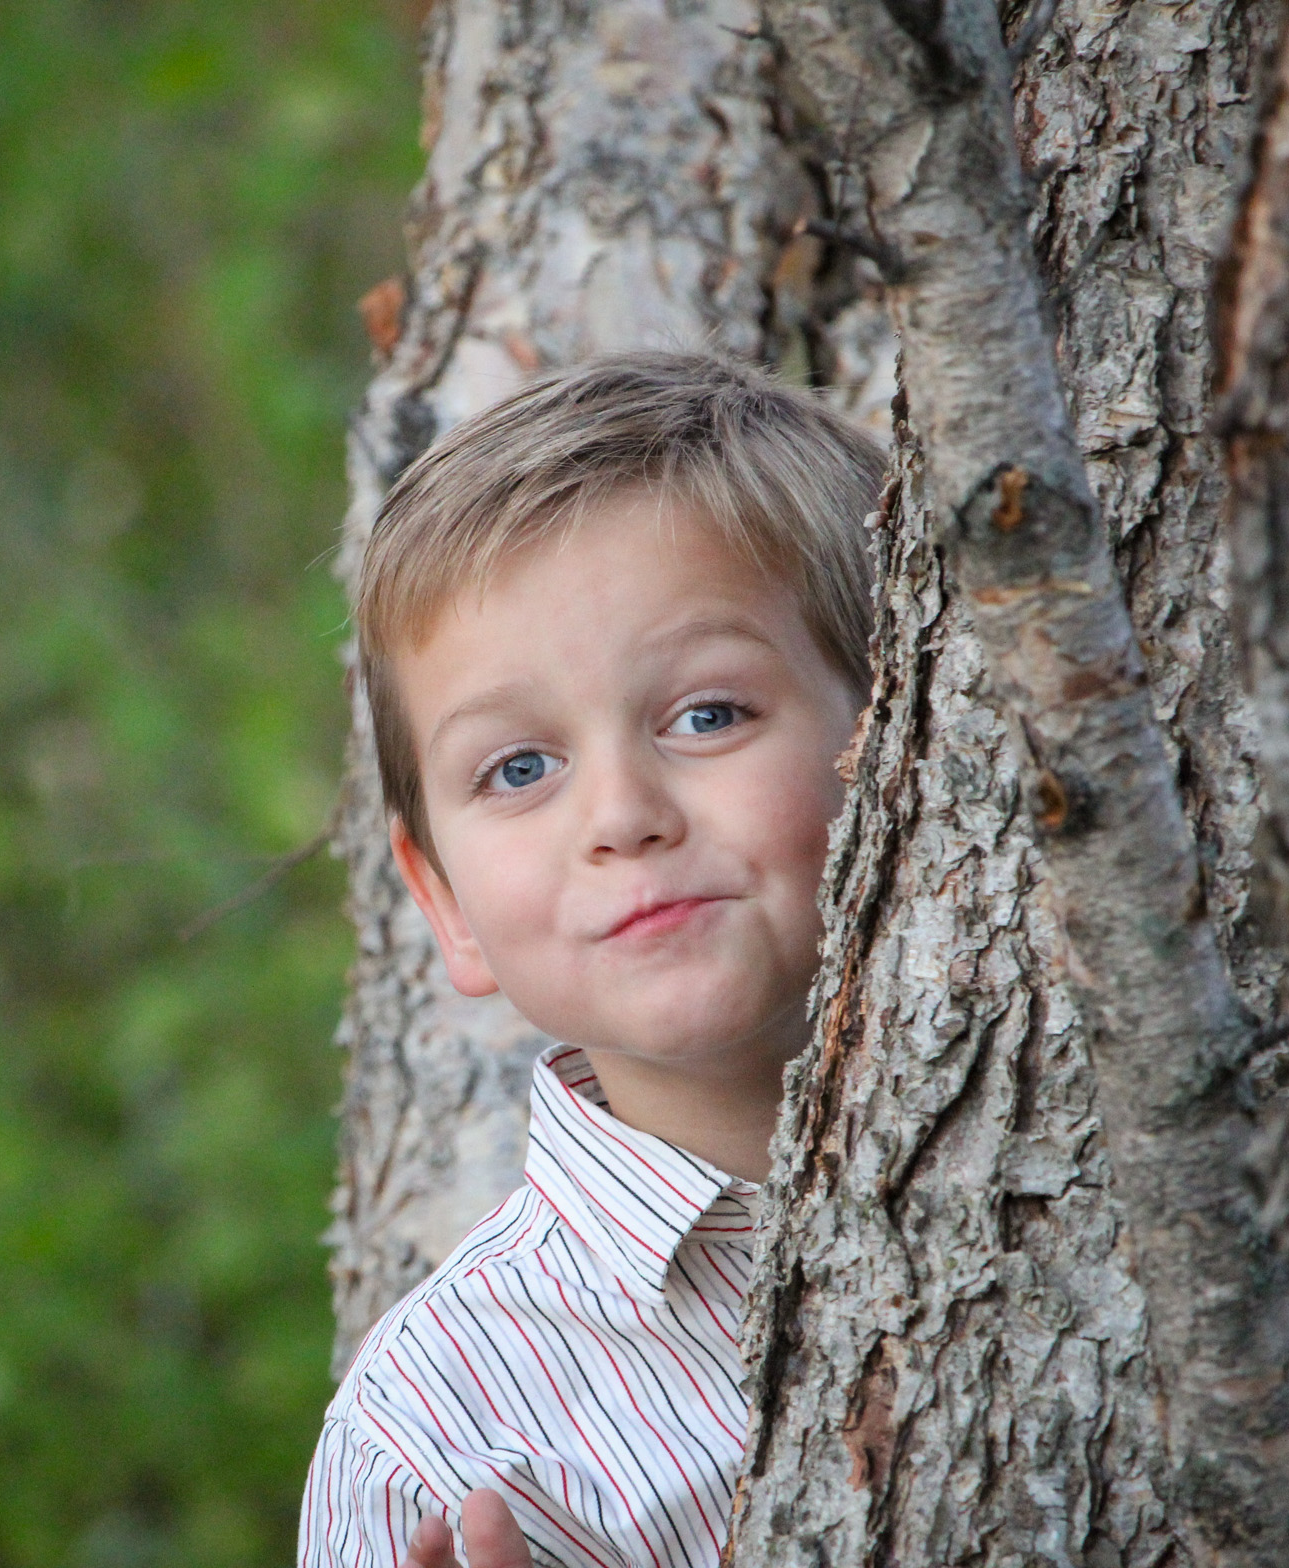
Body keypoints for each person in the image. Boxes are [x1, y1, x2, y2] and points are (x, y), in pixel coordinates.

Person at [299, 353, 883, 1568]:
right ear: (445, 904)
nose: (621, 814)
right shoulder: (432, 1442)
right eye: (518, 768)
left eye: (707, 713)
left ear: (906, 727)